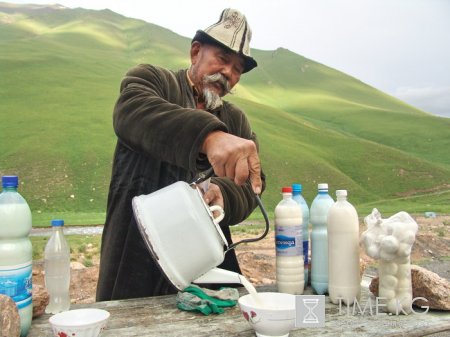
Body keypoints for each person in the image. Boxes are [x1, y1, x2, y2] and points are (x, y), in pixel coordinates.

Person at [96, 8, 266, 301]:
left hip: (205, 265)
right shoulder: (153, 80)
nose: (228, 73)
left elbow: (253, 184)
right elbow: (131, 112)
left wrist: (223, 194)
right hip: (135, 252)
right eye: (222, 59)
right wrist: (209, 137)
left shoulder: (237, 122)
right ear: (196, 51)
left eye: (237, 69)